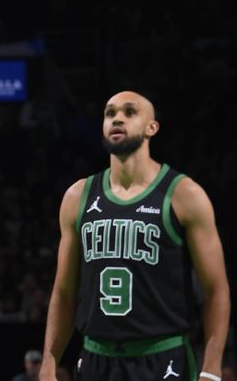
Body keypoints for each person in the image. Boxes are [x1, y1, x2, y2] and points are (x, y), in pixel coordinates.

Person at [39, 90, 231, 381]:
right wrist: (49, 361)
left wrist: (212, 369)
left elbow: (216, 289)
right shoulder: (77, 196)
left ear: (151, 127)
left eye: (129, 112)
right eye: (109, 113)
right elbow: (64, 293)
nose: (117, 118)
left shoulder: (184, 194)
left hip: (163, 358)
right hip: (96, 359)